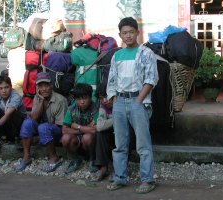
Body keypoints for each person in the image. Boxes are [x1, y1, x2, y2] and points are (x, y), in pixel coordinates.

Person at [106, 17, 158, 194]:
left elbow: (151, 79)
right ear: (119, 34)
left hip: (138, 101)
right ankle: (120, 177)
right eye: (124, 33)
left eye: (131, 32)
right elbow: (112, 80)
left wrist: (138, 100)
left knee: (143, 144)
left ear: (137, 32)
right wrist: (114, 100)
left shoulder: (146, 53)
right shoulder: (117, 55)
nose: (127, 36)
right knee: (120, 144)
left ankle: (147, 179)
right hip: (119, 101)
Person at [16, 72, 68, 173]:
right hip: (43, 128)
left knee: (43, 127)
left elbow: (60, 125)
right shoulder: (38, 97)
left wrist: (41, 133)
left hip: (57, 131)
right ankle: (26, 157)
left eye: (46, 85)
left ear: (51, 86)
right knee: (27, 123)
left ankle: (53, 157)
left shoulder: (60, 100)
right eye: (40, 86)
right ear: (37, 88)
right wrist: (41, 102)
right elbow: (34, 118)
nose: (44, 89)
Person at [61, 83, 99, 174]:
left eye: (85, 98)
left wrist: (76, 126)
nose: (82, 102)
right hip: (77, 137)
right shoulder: (71, 109)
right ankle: (75, 160)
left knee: (87, 137)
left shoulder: (95, 109)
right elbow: (65, 129)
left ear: (90, 97)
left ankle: (92, 160)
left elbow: (94, 130)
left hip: (90, 140)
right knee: (65, 138)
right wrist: (83, 129)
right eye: (79, 99)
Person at [0, 75, 26, 150]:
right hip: (6, 124)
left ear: (11, 87)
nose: (4, 91)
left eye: (6, 87)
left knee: (13, 113)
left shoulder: (16, 96)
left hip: (19, 125)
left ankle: (18, 139)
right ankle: (1, 138)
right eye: (0, 88)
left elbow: (8, 114)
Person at [91, 83, 114, 182]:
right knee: (100, 133)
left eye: (107, 96)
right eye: (101, 98)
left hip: (125, 138)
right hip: (111, 137)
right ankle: (103, 167)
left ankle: (119, 169)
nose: (104, 100)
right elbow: (100, 126)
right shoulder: (103, 106)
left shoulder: (120, 104)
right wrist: (116, 120)